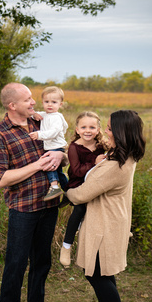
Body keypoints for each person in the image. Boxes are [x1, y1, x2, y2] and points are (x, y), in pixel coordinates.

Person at [0, 82, 66, 302]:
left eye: (33, 98)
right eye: (28, 99)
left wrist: (59, 154)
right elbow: (0, 179)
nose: (34, 102)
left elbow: (62, 152)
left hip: (49, 206)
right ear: (12, 105)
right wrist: (38, 164)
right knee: (15, 269)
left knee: (41, 266)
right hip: (22, 210)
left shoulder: (43, 122)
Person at [66, 110, 146, 302]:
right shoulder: (120, 155)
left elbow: (81, 194)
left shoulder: (115, 165)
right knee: (101, 274)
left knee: (99, 276)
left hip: (106, 226)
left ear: (121, 132)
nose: (105, 131)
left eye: (110, 128)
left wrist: (62, 189)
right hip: (108, 222)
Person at [59, 111, 108, 267]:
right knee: (79, 210)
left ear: (98, 129)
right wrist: (95, 161)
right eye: (84, 127)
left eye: (92, 127)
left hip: (95, 183)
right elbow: (77, 170)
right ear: (77, 130)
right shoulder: (74, 147)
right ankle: (66, 246)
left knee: (105, 203)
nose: (88, 130)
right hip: (78, 182)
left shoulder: (101, 146)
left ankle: (118, 231)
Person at [29, 86, 68, 201]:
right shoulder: (45, 114)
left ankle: (54, 186)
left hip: (56, 147)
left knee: (49, 165)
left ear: (60, 104)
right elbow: (33, 114)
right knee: (58, 171)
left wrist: (39, 135)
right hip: (52, 146)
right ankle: (69, 191)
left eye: (54, 102)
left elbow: (54, 132)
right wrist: (34, 114)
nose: (50, 105)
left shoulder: (56, 117)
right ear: (42, 102)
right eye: (47, 102)